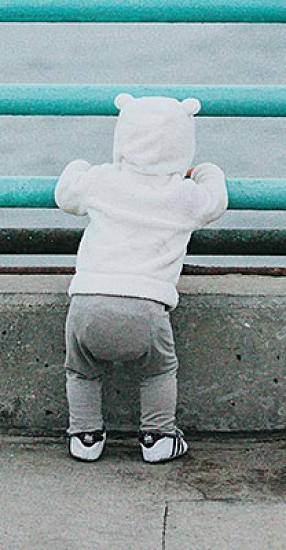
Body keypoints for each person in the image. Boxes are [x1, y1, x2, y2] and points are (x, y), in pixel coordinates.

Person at [55, 93, 228, 463]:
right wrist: (206, 171)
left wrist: (78, 166)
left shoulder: (101, 180)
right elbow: (215, 201)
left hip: (87, 303)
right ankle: (158, 437)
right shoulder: (183, 195)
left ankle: (84, 437)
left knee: (81, 372)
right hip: (146, 308)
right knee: (158, 372)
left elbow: (66, 195)